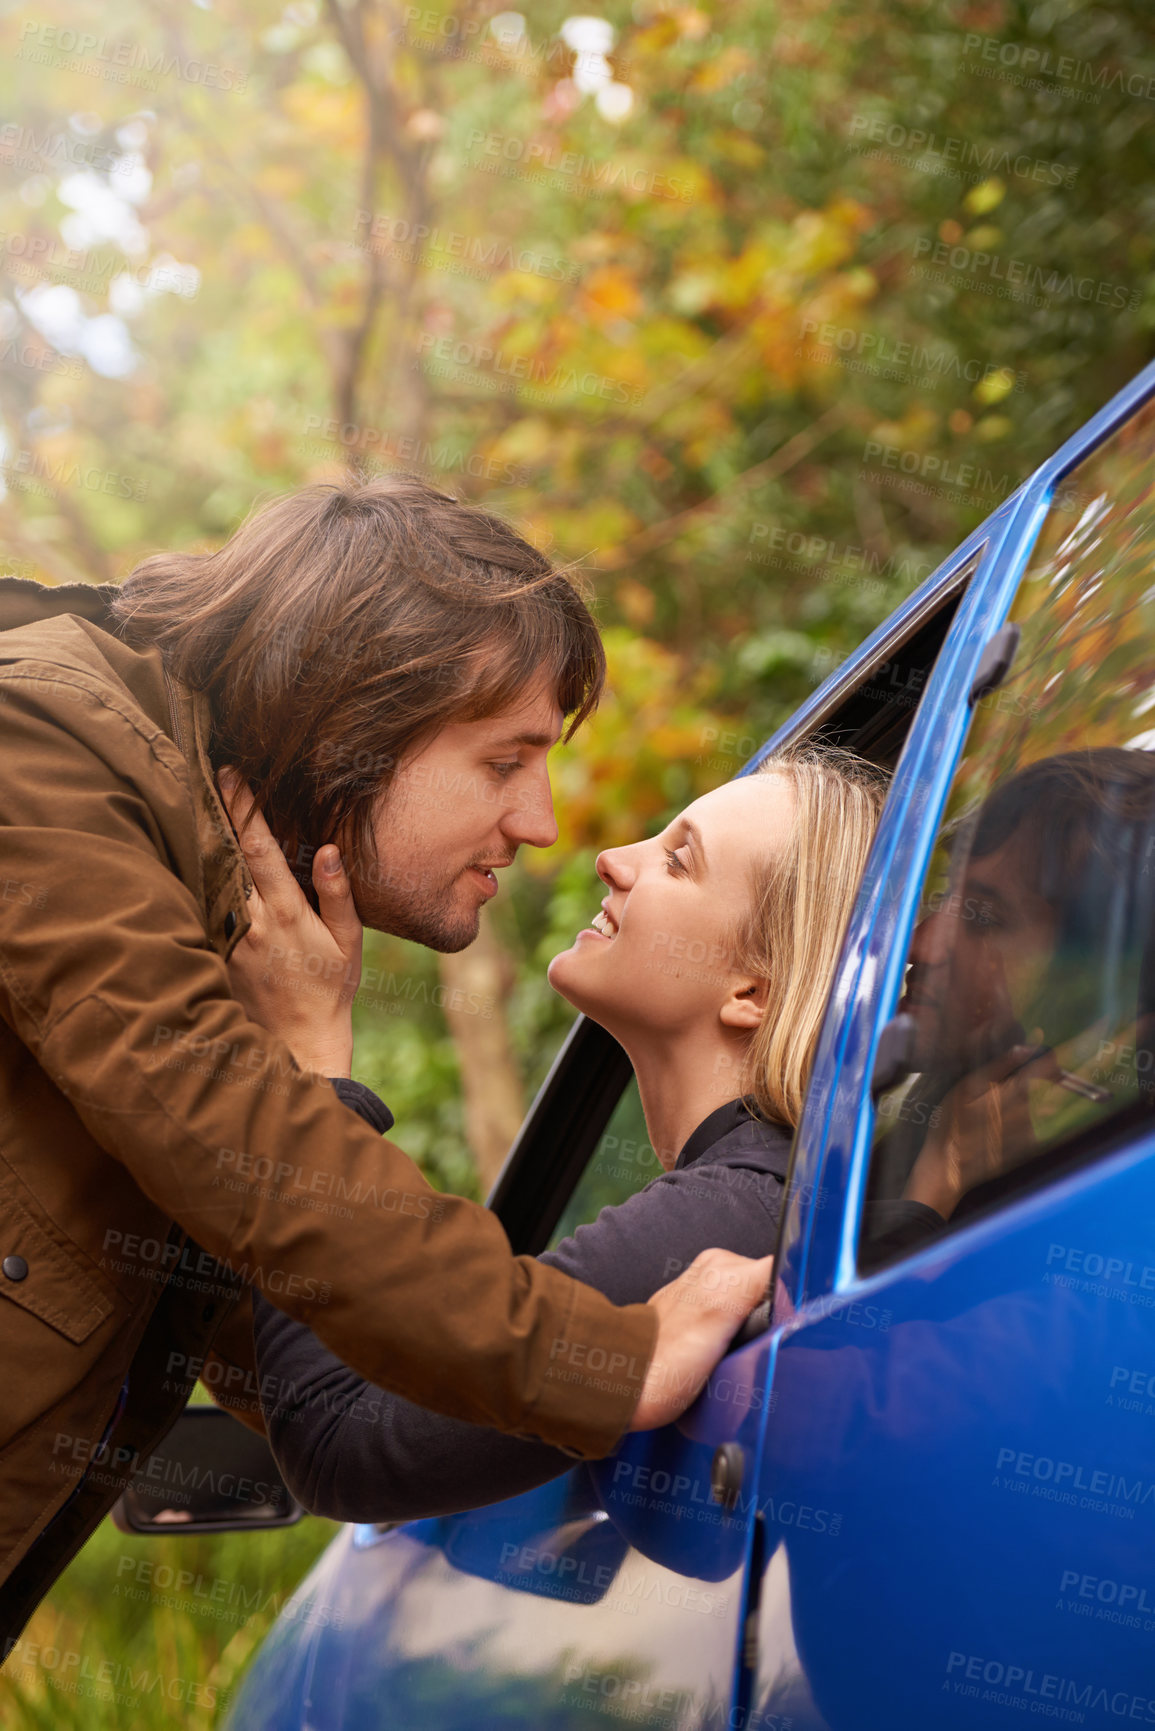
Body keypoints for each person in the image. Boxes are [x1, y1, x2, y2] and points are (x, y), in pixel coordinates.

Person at [0, 477, 768, 1645]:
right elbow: (193, 1095)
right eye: (505, 761)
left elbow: (298, 1351)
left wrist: (311, 1070)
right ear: (357, 717)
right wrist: (602, 1360)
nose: (545, 824)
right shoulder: (47, 745)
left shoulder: (207, 890)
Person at [217, 744, 887, 1522]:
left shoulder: (729, 1217)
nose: (611, 859)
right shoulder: (766, 1194)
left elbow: (342, 1440)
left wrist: (311, 1073)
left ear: (752, 990)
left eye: (677, 860)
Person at [862, 746, 1155, 1266]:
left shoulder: (1100, 1247)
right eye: (945, 899)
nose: (919, 945)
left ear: (1095, 991)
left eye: (986, 920)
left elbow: (852, 1344)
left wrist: (940, 1182)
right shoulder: (931, 1107)